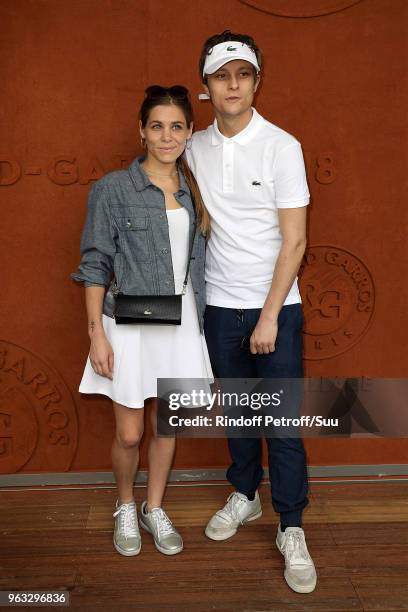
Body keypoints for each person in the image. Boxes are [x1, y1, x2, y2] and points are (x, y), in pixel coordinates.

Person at [186, 31, 317, 593]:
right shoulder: (192, 145)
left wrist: (268, 316)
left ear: (257, 81)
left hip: (276, 312)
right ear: (206, 87)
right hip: (219, 305)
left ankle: (291, 524)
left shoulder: (282, 146)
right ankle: (244, 495)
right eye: (222, 75)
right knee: (239, 417)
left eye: (243, 74)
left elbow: (295, 243)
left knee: (282, 426)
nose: (233, 84)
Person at [70, 85, 212, 557]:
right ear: (142, 131)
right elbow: (94, 266)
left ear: (190, 132)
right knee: (130, 432)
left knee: (166, 426)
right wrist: (96, 334)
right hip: (128, 325)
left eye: (176, 126)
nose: (166, 136)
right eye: (157, 126)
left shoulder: (195, 188)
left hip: (182, 320)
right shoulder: (112, 189)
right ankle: (126, 505)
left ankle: (154, 507)